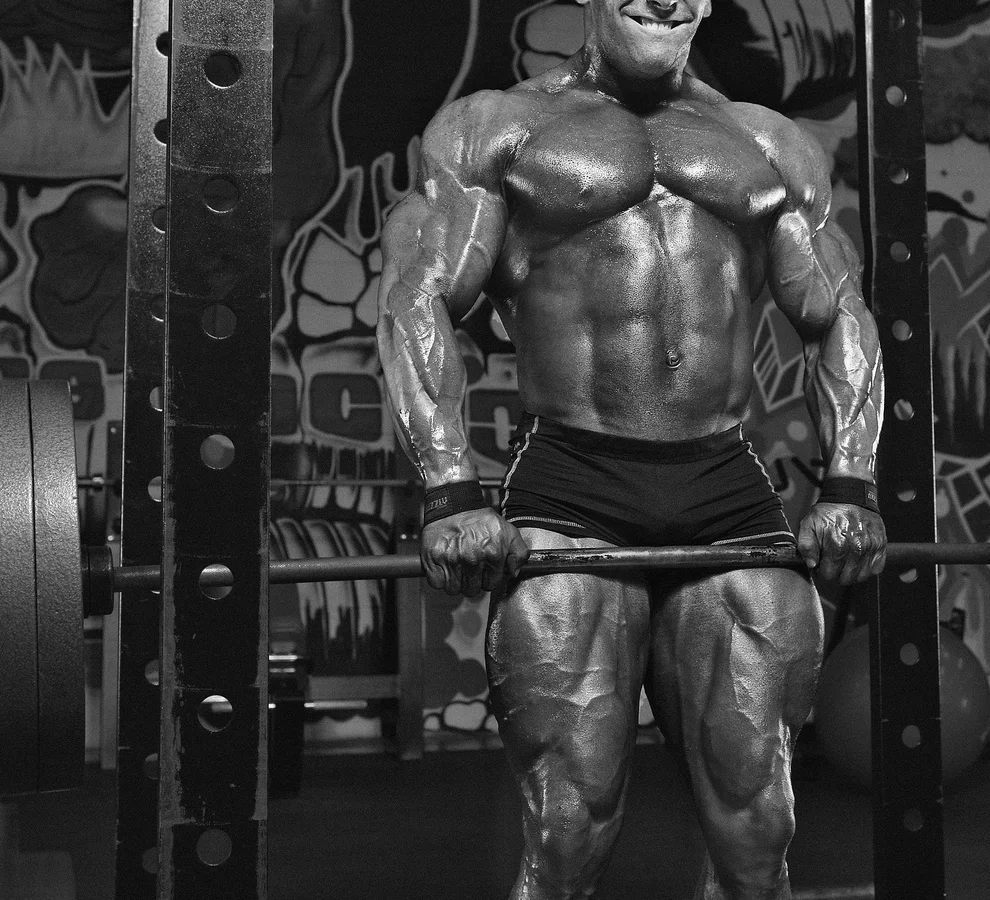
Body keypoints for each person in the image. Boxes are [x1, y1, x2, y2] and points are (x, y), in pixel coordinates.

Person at [376, 1, 887, 896]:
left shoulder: (771, 144)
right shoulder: (496, 129)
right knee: (570, 829)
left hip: (726, 489)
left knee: (758, 833)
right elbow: (417, 299)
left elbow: (838, 310)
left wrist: (850, 483)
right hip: (573, 488)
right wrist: (451, 493)